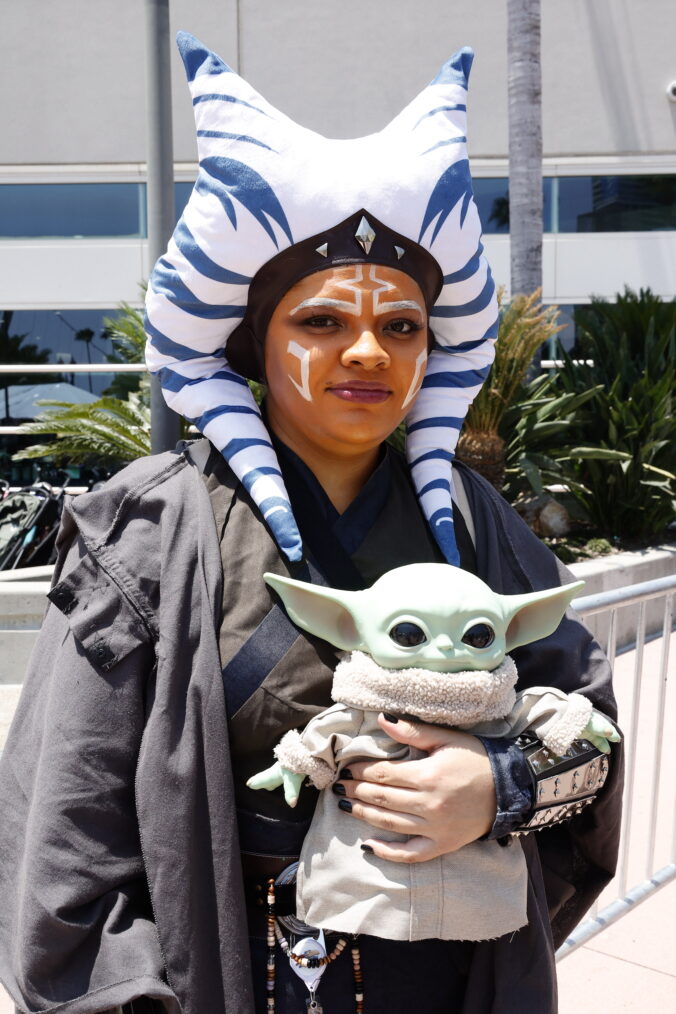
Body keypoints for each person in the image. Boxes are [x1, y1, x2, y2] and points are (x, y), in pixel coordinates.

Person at [0, 32, 622, 1014]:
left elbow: (592, 745)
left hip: (450, 979)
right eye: (322, 322)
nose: (368, 352)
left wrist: (497, 787)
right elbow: (67, 840)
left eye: (403, 326)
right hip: (222, 977)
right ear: (255, 340)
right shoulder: (153, 529)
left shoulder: (479, 525)